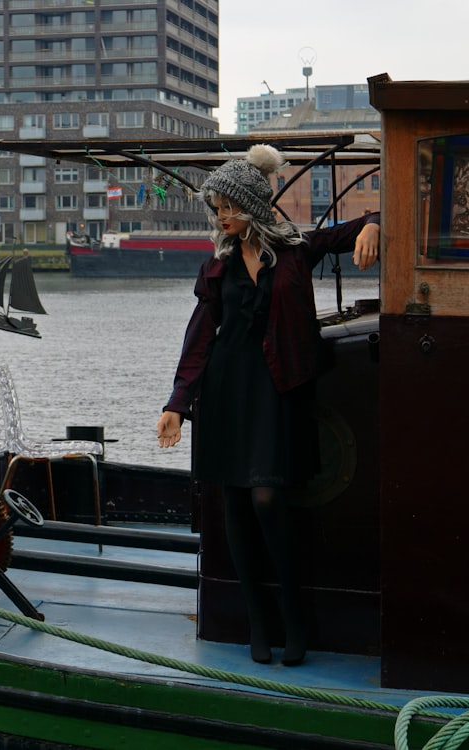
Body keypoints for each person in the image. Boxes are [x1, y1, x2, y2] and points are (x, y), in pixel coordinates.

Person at [156, 144, 380, 666]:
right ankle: (258, 620)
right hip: (227, 390)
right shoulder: (217, 265)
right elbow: (200, 337)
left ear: (252, 203)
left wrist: (373, 223)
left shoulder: (299, 248)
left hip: (278, 388)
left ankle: (294, 617)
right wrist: (178, 402)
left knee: (268, 500)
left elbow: (360, 224)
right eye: (216, 209)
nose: (220, 217)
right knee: (235, 504)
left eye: (226, 207)